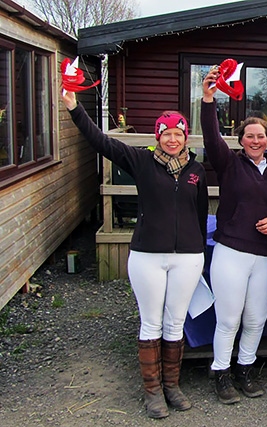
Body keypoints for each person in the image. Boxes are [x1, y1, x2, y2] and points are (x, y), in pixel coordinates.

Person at [61, 91, 208, 419]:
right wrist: (73, 107)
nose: (172, 139)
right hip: (147, 257)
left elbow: (199, 214)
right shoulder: (142, 161)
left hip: (187, 257)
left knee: (176, 323)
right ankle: (152, 391)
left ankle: (172, 386)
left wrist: (198, 249)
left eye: (178, 133)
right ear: (158, 137)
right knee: (151, 322)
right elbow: (101, 142)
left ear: (186, 137)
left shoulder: (196, 170)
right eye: (166, 133)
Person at [200, 67, 267, 404]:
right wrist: (209, 99)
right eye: (249, 135)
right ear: (241, 140)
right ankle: (221, 371)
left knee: (255, 318)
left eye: (260, 135)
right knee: (229, 318)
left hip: (264, 256)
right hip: (231, 252)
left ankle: (245, 368)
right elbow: (210, 135)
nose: (255, 140)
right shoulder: (229, 164)